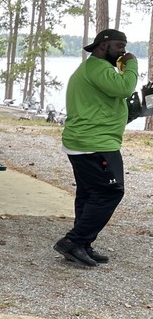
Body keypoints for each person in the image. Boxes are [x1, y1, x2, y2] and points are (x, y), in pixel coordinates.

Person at [53, 27, 138, 267]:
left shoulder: (93, 69)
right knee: (110, 192)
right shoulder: (98, 68)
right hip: (95, 143)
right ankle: (73, 241)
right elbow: (124, 88)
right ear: (104, 45)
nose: (123, 52)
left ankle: (83, 243)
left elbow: (110, 97)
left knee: (89, 193)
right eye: (119, 46)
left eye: (125, 48)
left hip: (85, 141)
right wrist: (132, 64)